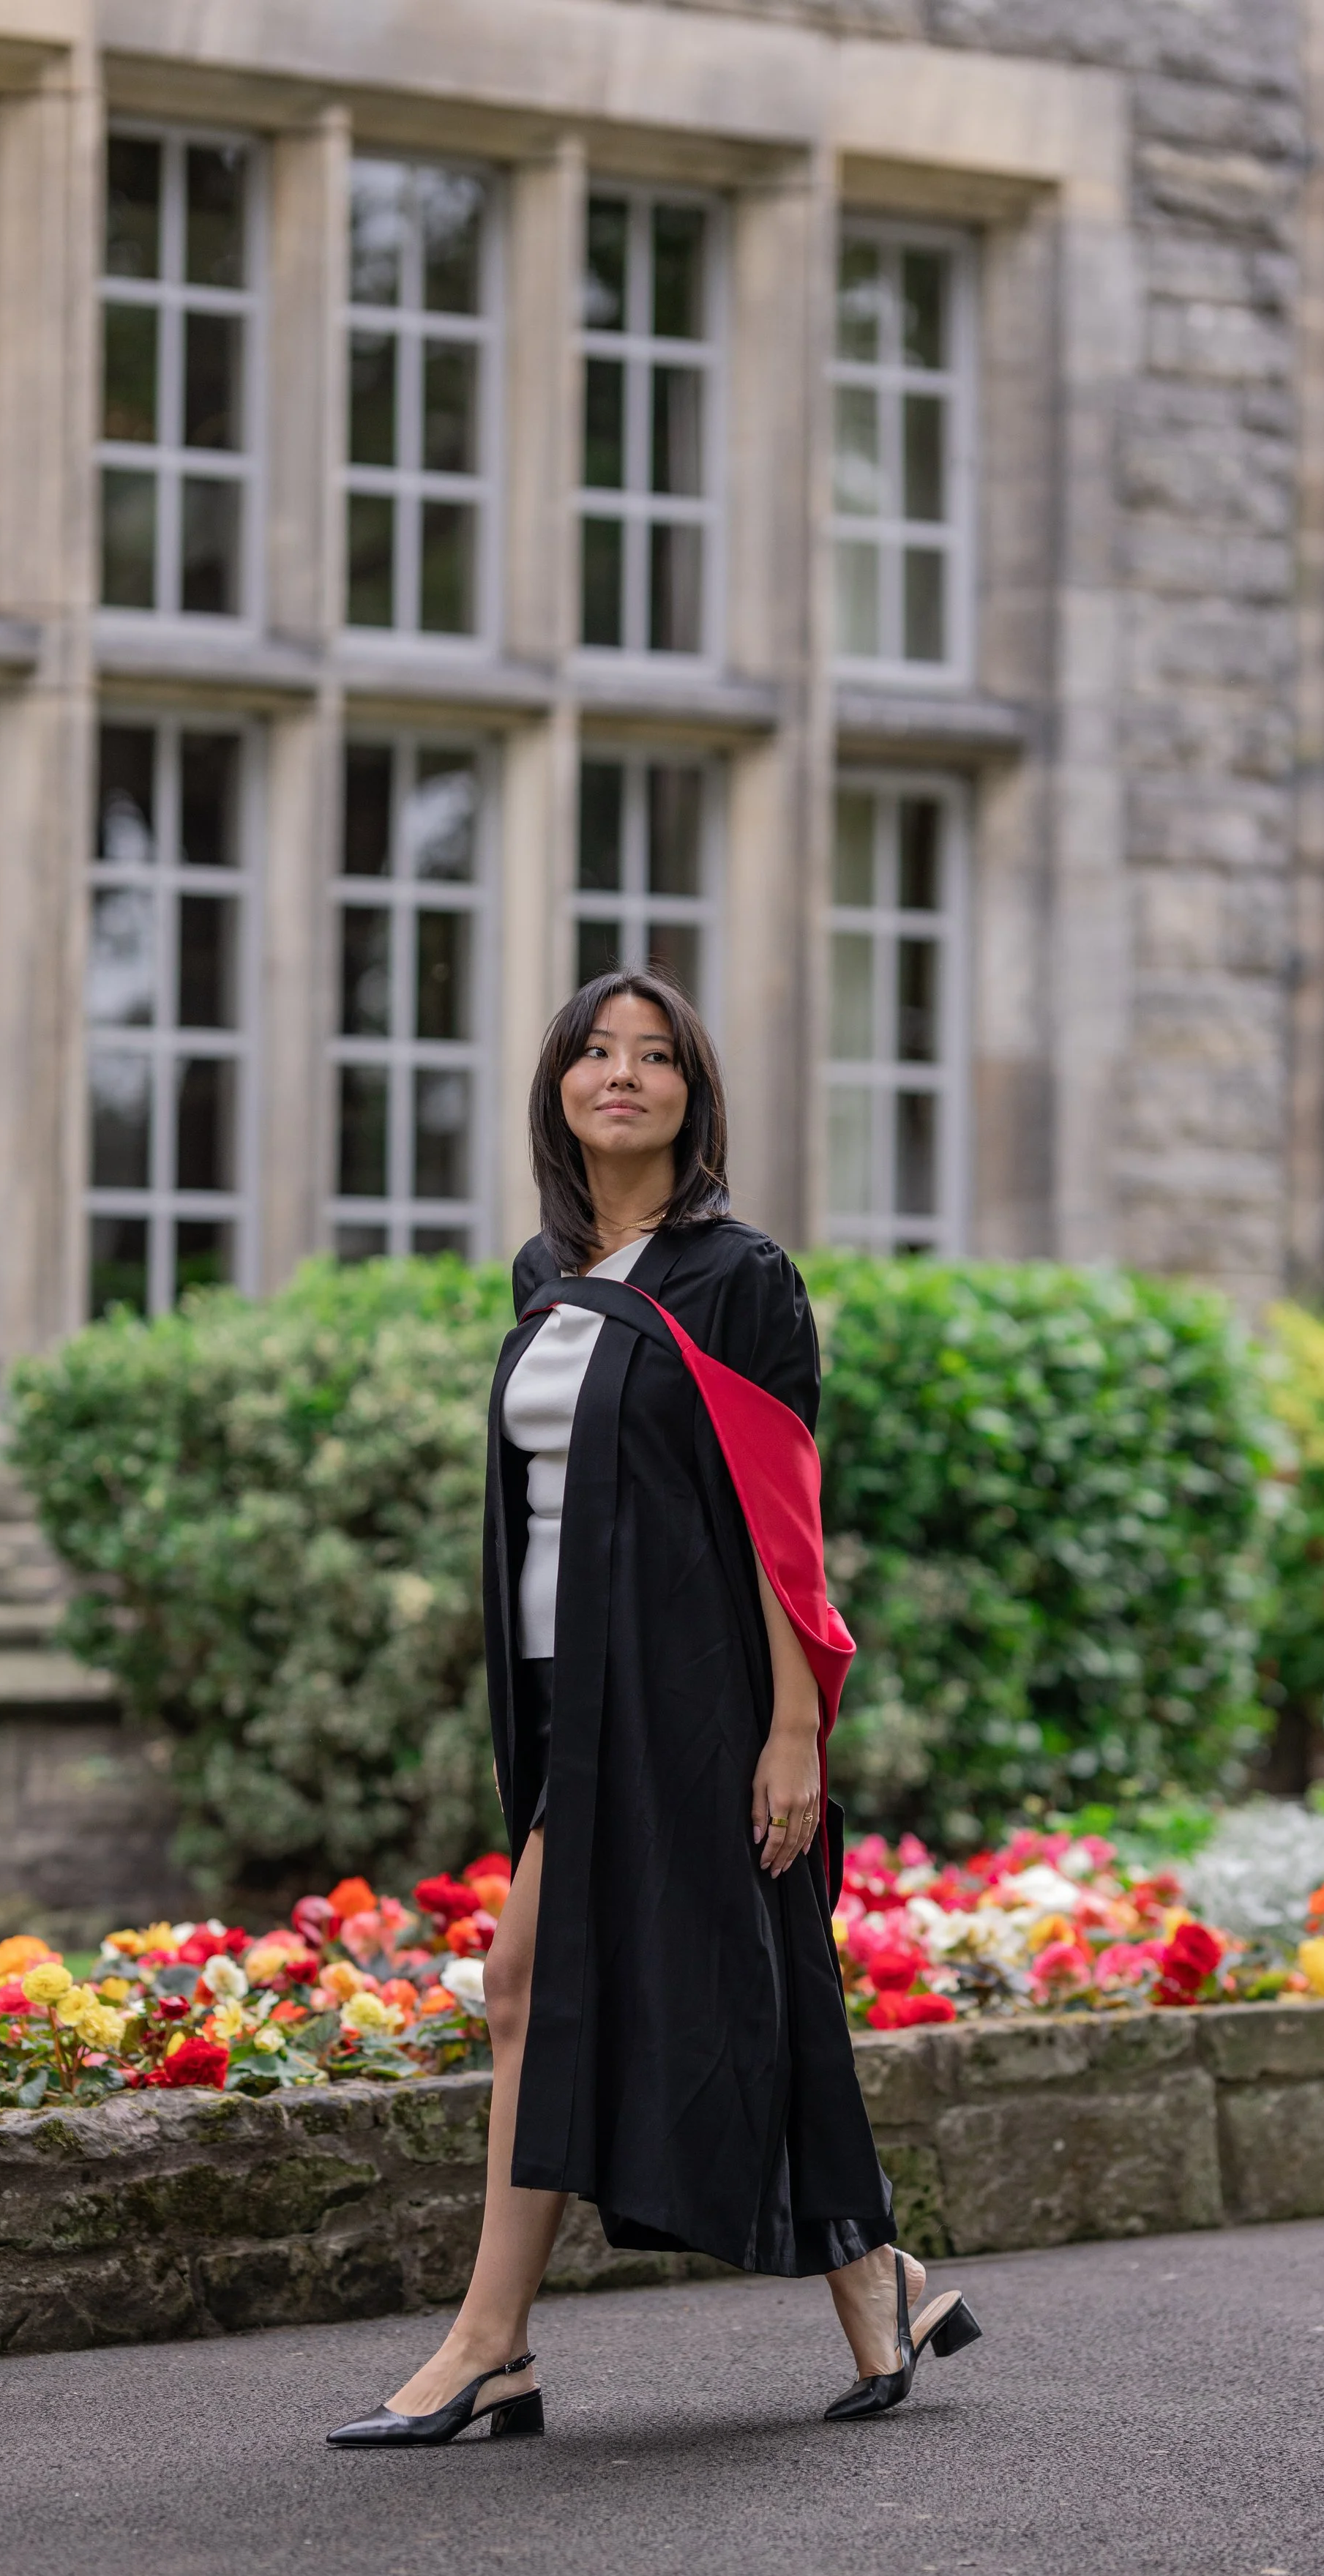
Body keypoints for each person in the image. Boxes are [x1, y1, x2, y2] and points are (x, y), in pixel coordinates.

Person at [329, 974, 980, 2448]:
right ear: (558, 1084)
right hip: (568, 1687)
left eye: (654, 1055)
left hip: (689, 1688)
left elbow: (779, 1519)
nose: (620, 1073)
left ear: (692, 1093)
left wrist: (791, 1727)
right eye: (594, 1052)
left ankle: (489, 2343)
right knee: (745, 1977)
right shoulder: (543, 1273)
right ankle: (881, 2275)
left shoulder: (735, 1273)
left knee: (527, 1982)